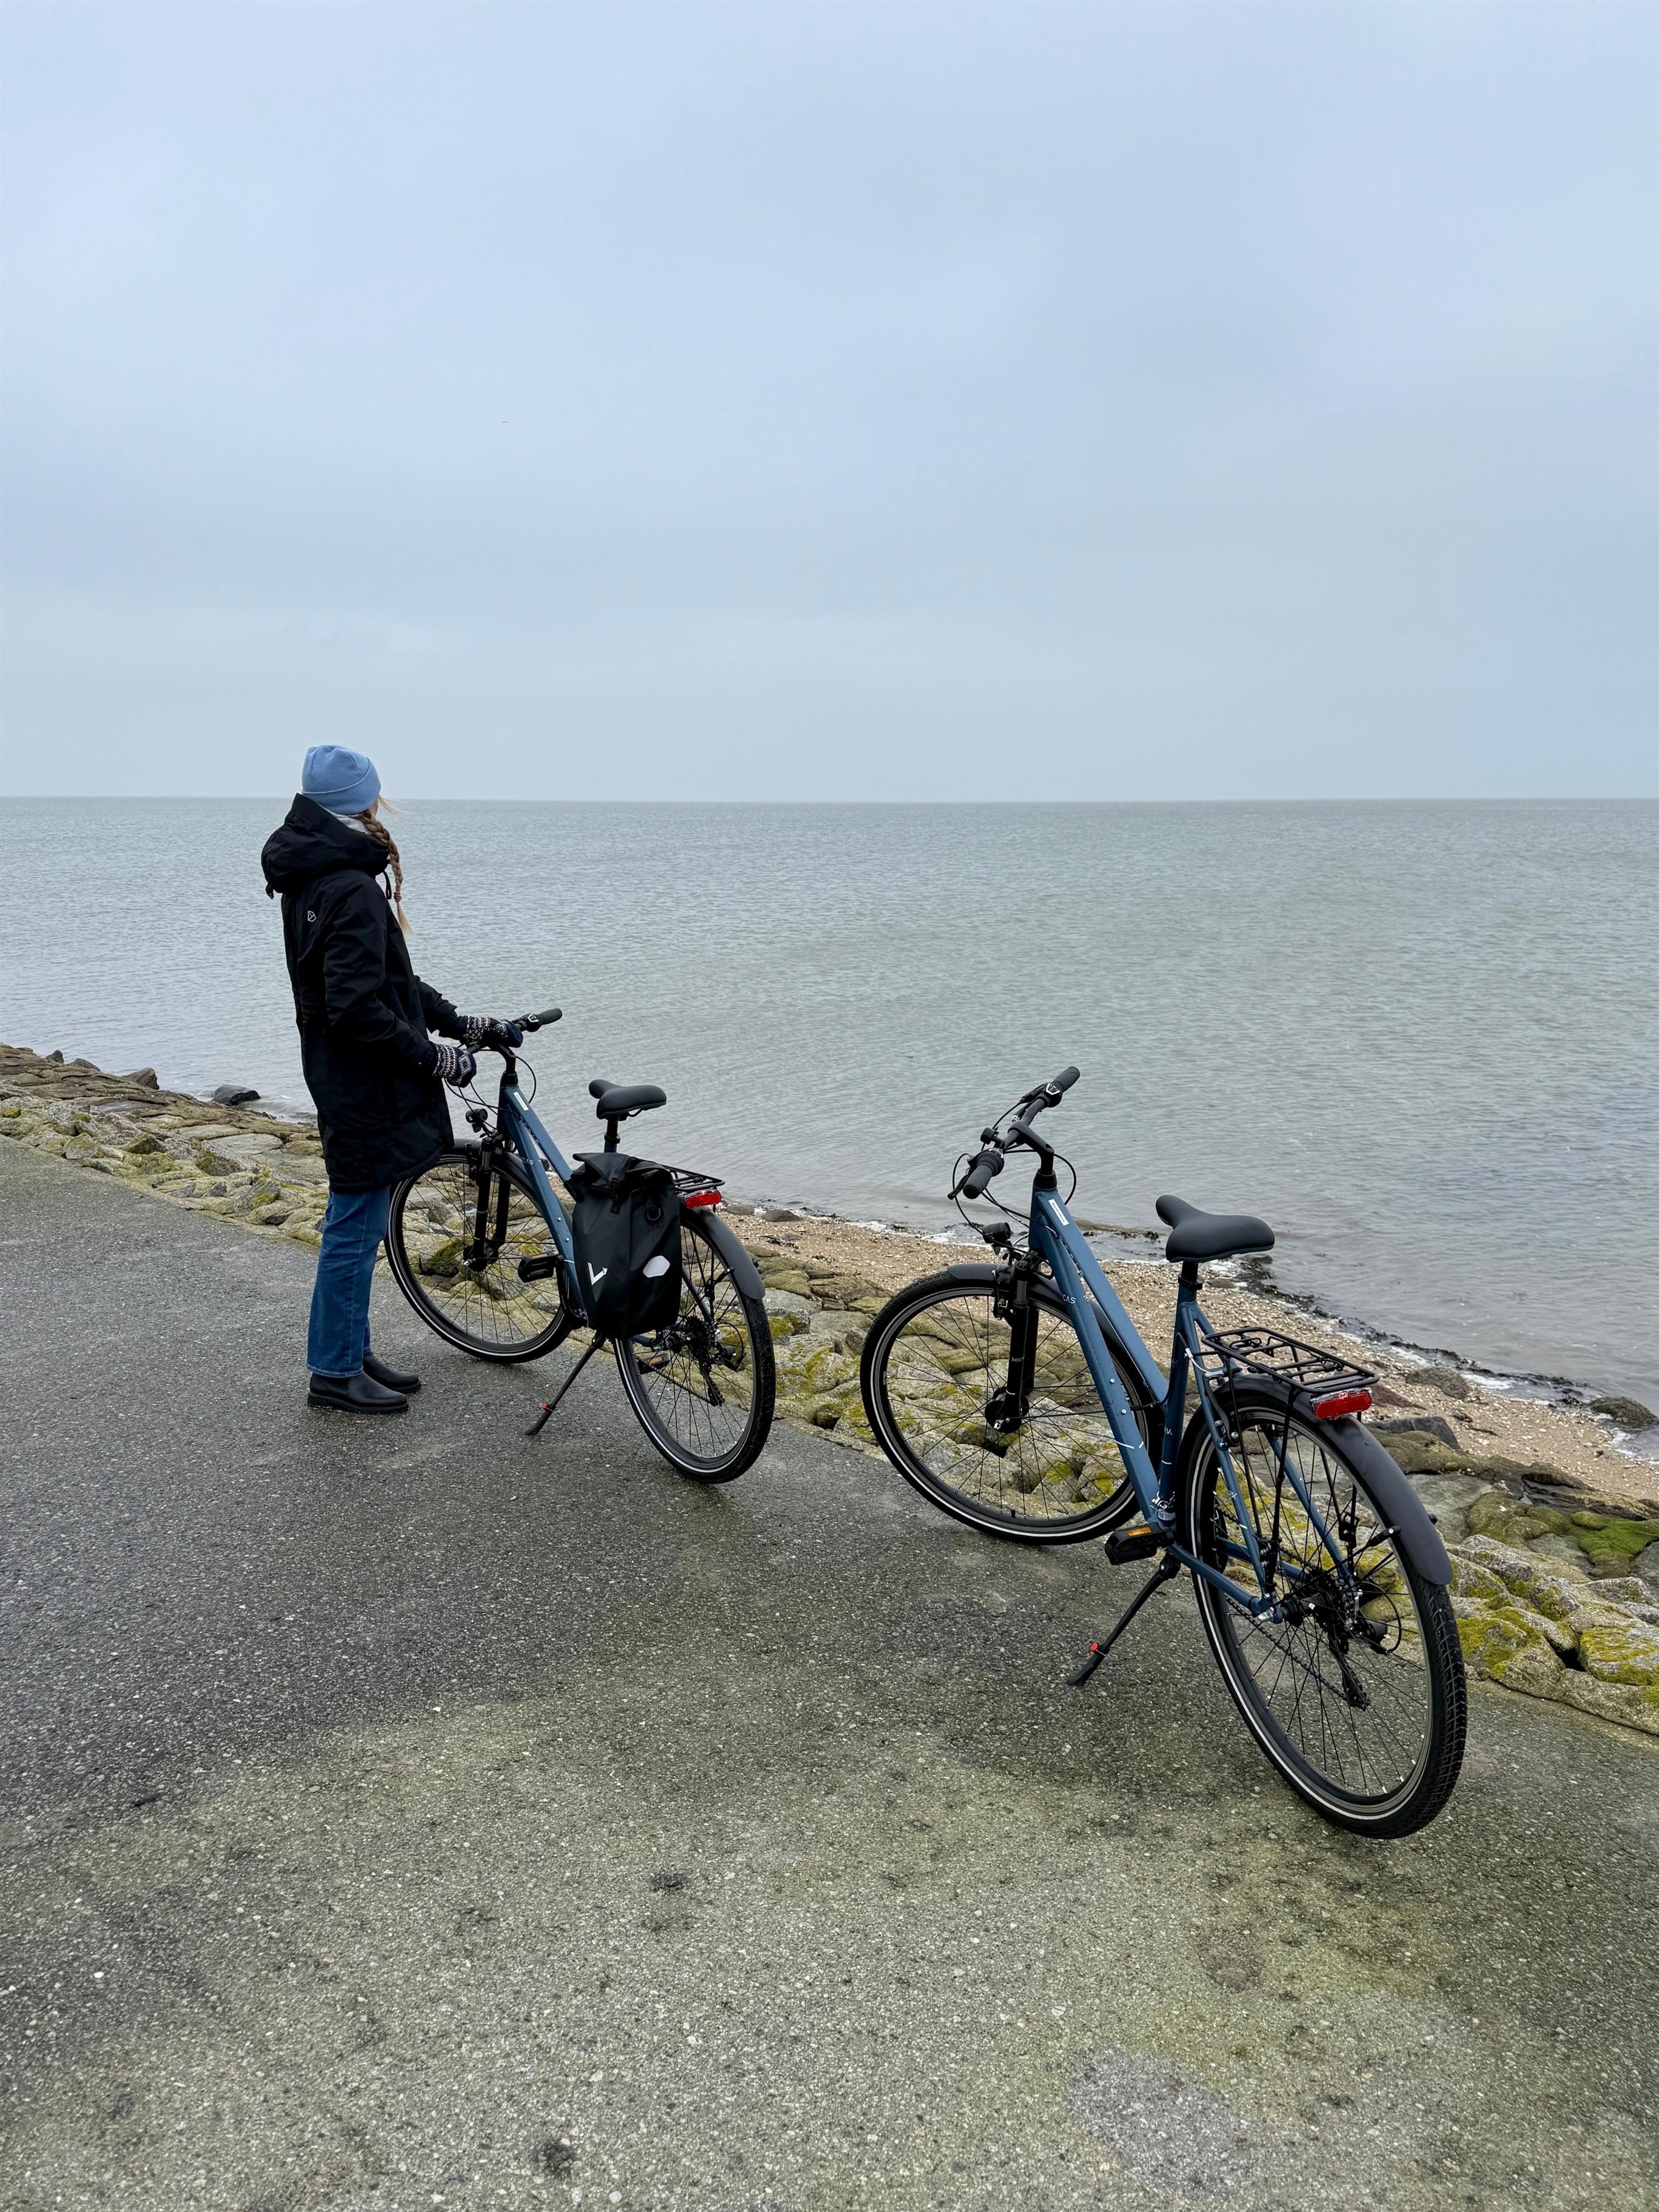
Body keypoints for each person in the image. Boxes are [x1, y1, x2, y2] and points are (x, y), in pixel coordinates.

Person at [261, 746, 523, 1415]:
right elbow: (356, 1008)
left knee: (361, 1221)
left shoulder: (318, 871)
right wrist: (433, 1057)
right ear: (365, 801)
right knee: (353, 1226)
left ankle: (350, 1348)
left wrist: (459, 1022)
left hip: (343, 1074)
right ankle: (333, 1372)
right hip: (361, 1083)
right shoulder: (348, 885)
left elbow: (390, 981)